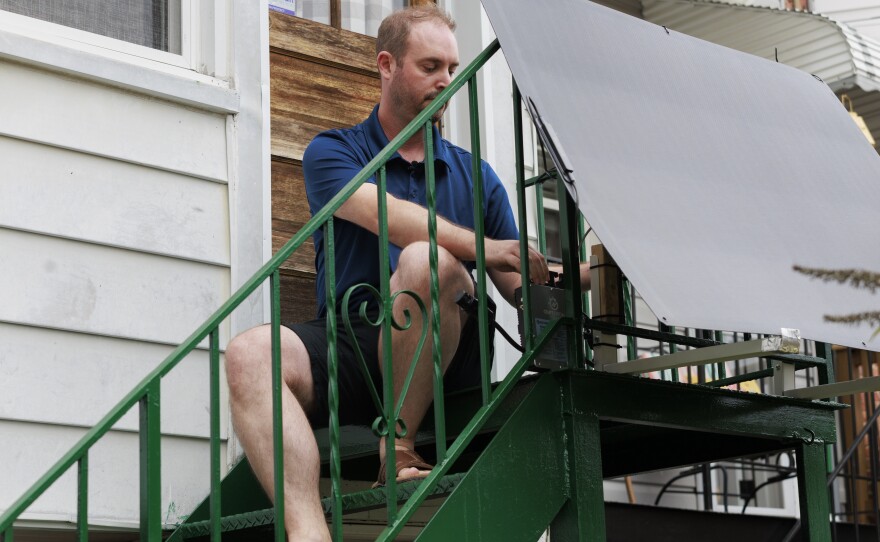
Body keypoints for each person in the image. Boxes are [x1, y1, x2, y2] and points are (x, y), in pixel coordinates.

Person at [225, 6, 588, 541]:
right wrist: (487, 248)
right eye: (430, 65)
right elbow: (385, 216)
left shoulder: (477, 176)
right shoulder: (333, 151)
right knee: (249, 354)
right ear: (387, 65)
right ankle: (307, 533)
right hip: (356, 350)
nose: (447, 80)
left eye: (452, 66)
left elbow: (518, 289)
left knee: (426, 263)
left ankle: (397, 447)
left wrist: (589, 274)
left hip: (447, 356)